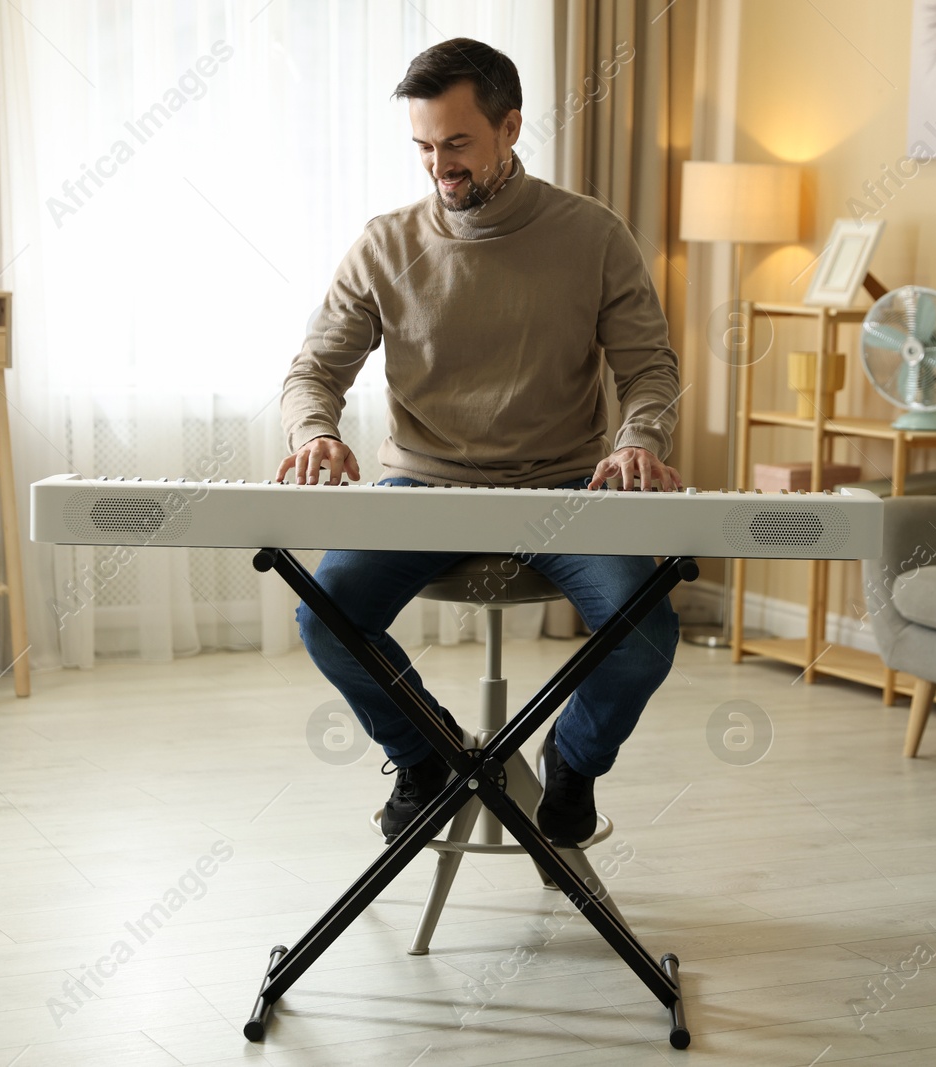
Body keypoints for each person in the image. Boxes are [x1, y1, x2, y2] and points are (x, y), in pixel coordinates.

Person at [278, 37, 682, 848]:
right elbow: (311, 373)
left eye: (457, 144)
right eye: (424, 147)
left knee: (646, 632)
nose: (439, 167)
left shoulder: (593, 235)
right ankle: (426, 757)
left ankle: (570, 761)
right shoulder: (385, 244)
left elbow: (651, 371)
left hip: (567, 489)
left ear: (510, 127)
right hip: (426, 488)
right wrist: (315, 431)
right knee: (325, 616)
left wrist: (638, 437)